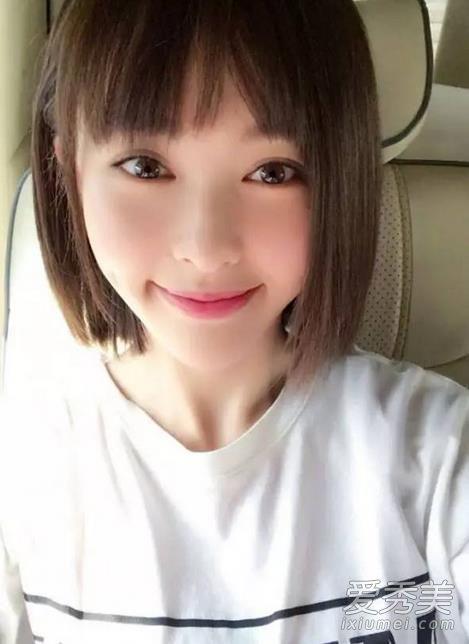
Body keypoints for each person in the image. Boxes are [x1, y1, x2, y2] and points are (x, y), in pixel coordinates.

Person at [0, 0, 468, 642]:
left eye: (272, 173)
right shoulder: (22, 466)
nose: (206, 248)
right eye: (145, 167)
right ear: (68, 171)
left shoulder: (437, 455)